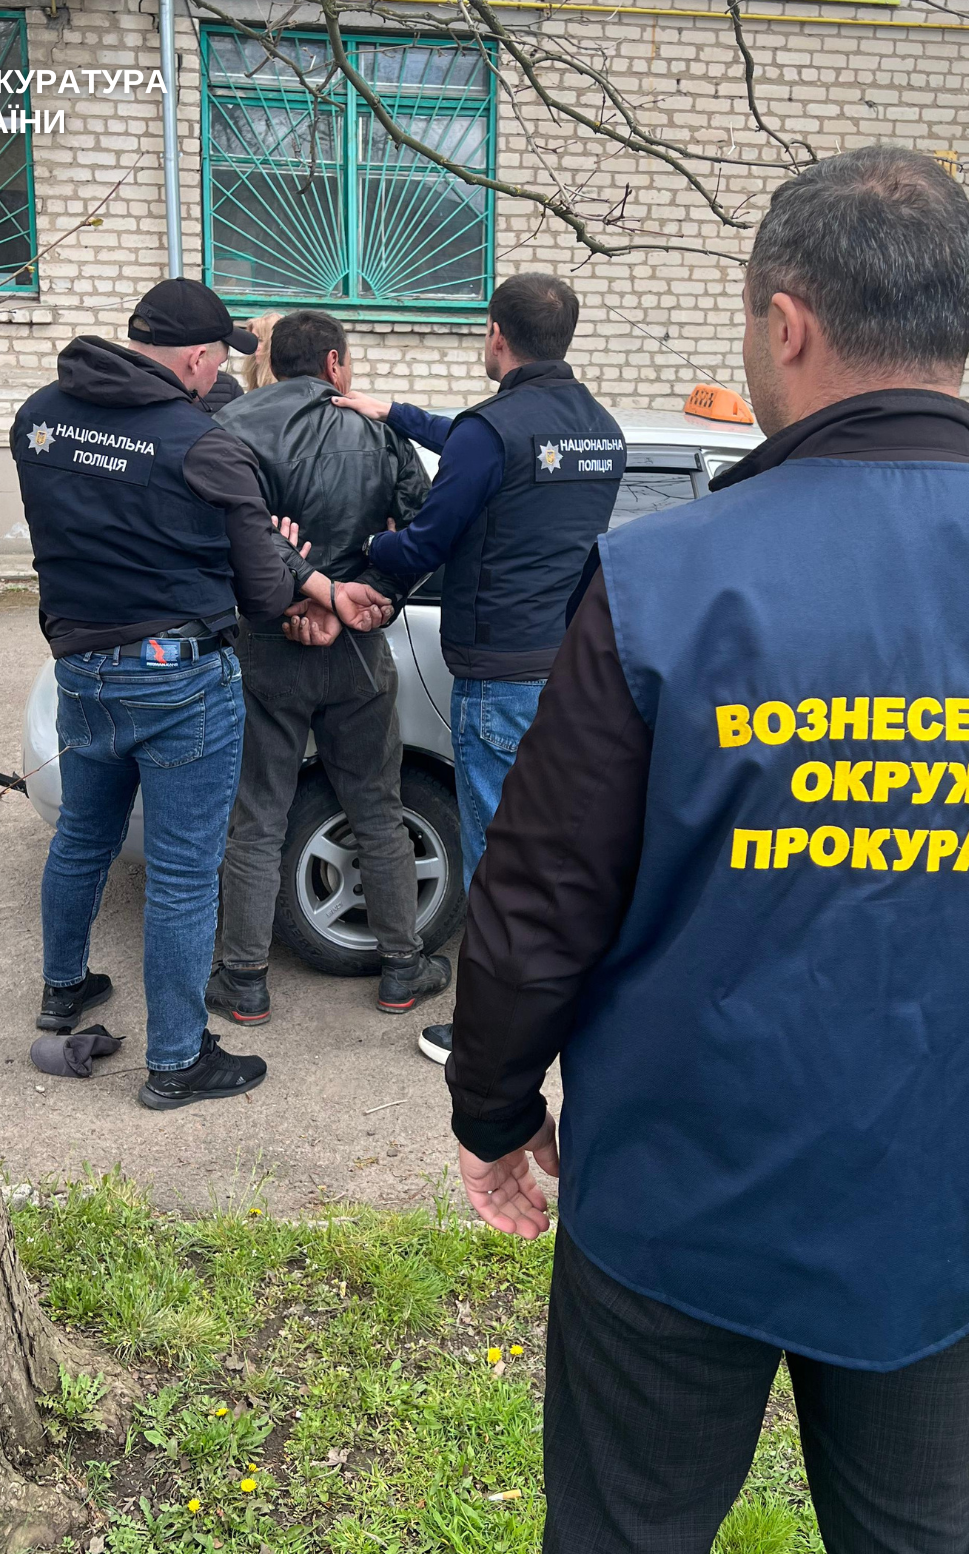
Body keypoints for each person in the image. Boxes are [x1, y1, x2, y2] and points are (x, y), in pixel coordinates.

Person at [443, 148, 969, 1553]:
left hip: (678, 1197)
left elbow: (540, 895)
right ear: (957, 328)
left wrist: (493, 1110)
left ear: (784, 324)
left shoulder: (664, 579)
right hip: (948, 1186)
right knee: (918, 1530)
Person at [11, 277, 390, 1112]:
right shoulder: (199, 445)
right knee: (184, 875)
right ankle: (178, 1060)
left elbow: (92, 522)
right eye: (218, 357)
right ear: (194, 357)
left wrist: (265, 556)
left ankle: (64, 990)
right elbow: (262, 593)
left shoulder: (39, 417)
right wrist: (281, 556)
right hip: (179, 677)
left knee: (83, 836)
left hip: (83, 666)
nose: (220, 371)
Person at [334, 273, 626, 1066]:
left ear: (497, 333)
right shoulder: (601, 430)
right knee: (554, 853)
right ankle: (559, 1005)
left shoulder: (491, 432)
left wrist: (366, 548)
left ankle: (486, 1036)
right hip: (565, 673)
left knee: (497, 866)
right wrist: (397, 413)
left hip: (497, 676)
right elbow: (488, 449)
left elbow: (429, 540)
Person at [208, 310, 449, 1021]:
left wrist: (301, 599)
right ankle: (402, 969)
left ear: (273, 361)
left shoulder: (231, 428)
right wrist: (366, 599)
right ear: (334, 364)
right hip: (358, 649)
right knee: (377, 805)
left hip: (268, 643)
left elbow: (223, 540)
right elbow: (427, 529)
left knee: (258, 817)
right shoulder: (377, 430)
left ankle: (244, 982)